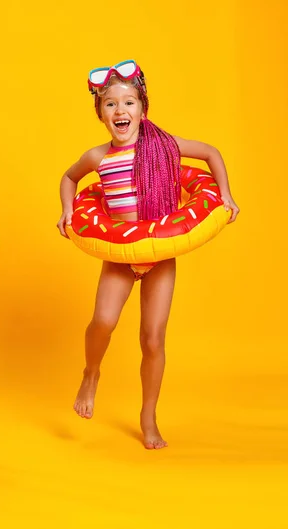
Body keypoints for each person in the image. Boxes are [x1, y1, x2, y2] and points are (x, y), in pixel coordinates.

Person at [56, 61, 240, 449]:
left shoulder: (165, 145)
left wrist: (225, 195)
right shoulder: (96, 158)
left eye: (129, 102)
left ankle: (148, 415)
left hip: (161, 255)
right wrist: (68, 210)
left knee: (153, 339)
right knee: (103, 321)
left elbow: (210, 153)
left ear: (143, 107)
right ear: (100, 113)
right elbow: (69, 178)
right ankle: (91, 373)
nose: (120, 111)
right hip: (121, 253)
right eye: (110, 104)